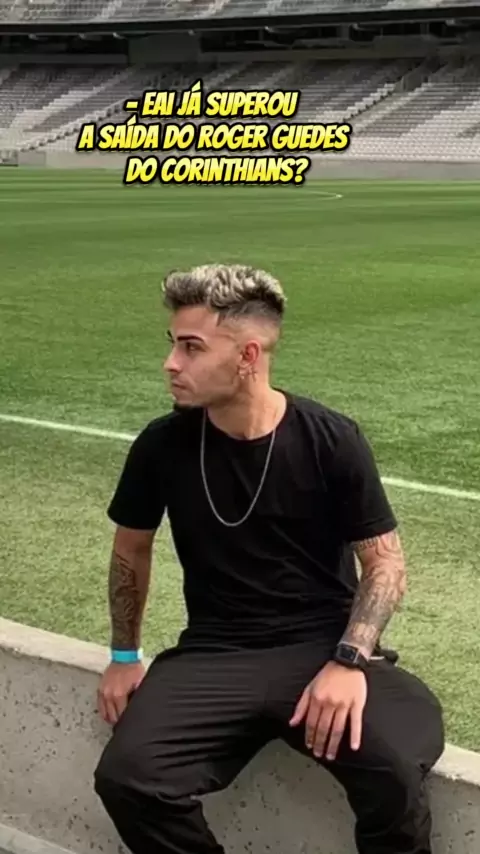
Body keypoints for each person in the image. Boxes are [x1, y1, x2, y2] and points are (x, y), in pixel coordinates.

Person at [93, 263, 444, 854]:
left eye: (191, 347)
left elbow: (385, 564)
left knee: (395, 774)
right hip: (214, 651)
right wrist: (124, 655)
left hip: (320, 648)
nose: (171, 364)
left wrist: (349, 660)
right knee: (128, 778)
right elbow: (131, 548)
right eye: (172, 344)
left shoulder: (331, 438)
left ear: (248, 355)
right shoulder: (161, 445)